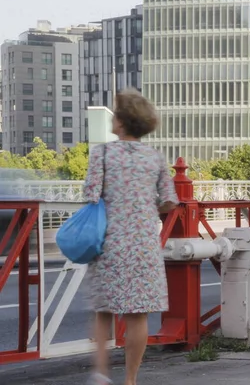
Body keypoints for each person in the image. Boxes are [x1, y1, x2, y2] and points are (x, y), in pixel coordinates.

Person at [84, 88, 179, 385]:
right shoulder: (155, 157)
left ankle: (101, 373)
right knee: (138, 315)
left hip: (109, 241)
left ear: (122, 122)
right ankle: (130, 380)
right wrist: (144, 205)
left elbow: (90, 195)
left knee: (104, 310)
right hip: (143, 243)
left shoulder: (101, 153)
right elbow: (169, 201)